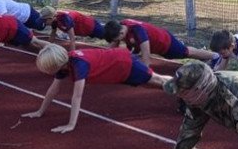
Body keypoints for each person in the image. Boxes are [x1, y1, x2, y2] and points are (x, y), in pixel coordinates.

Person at [22, 44, 169, 133]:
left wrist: (71, 124)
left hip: (124, 65)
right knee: (156, 83)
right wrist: (39, 112)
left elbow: (77, 96)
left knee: (158, 81)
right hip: (118, 69)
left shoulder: (79, 65)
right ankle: (183, 87)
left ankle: (187, 86)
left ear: (56, 65)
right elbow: (53, 90)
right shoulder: (65, 63)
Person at [104, 19, 217, 70]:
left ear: (121, 33)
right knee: (185, 51)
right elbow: (111, 48)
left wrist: (139, 74)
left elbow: (146, 59)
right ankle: (206, 57)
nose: (117, 42)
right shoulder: (121, 26)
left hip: (165, 43)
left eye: (117, 39)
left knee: (185, 52)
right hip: (158, 42)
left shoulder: (138, 32)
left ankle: (214, 56)